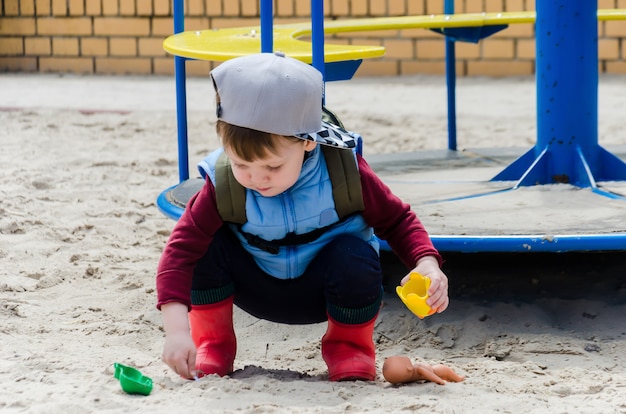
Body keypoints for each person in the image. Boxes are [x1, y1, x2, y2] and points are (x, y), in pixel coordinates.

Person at [156, 52, 449, 382]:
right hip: (255, 286)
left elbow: (398, 220)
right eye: (241, 164)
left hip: (322, 292)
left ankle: (349, 349)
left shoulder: (344, 172)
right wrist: (177, 332)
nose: (257, 178)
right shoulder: (223, 183)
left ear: (309, 142)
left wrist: (426, 264)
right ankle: (213, 345)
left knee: (354, 256)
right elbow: (179, 253)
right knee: (206, 245)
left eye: (273, 166)